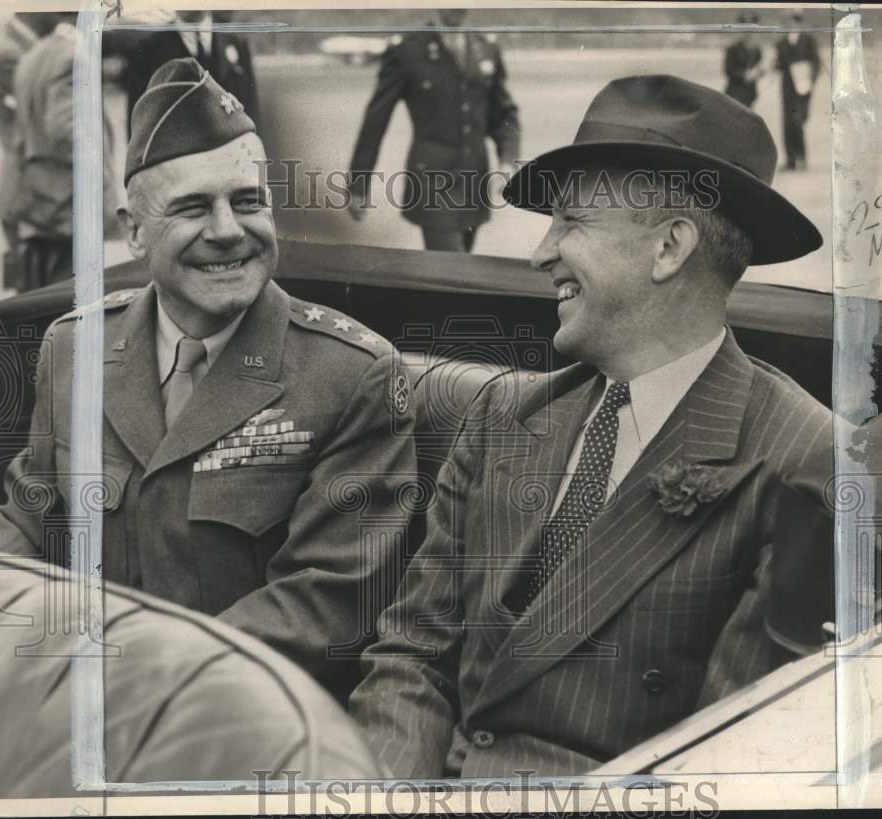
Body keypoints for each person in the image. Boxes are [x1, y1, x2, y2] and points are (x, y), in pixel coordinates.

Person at [350, 75, 832, 777]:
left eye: (571, 223)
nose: (540, 253)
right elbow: (412, 655)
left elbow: (729, 764)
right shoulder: (502, 416)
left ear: (669, 248)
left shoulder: (803, 461)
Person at [0, 58, 417, 705]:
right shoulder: (74, 348)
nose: (227, 231)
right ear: (132, 231)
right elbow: (32, 515)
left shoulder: (350, 375)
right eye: (193, 208)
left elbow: (326, 606)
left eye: (248, 202)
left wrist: (130, 678)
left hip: (245, 716)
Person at [348, 8, 521, 253]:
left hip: (475, 182)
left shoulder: (486, 48)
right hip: (431, 184)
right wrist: (358, 184)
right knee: (454, 271)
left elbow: (504, 115)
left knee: (460, 270)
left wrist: (508, 161)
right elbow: (376, 120)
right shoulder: (408, 50)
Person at [9, 12, 119, 291]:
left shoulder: (34, 53)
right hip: (69, 198)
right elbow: (63, 124)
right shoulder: (74, 55)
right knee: (67, 294)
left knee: (42, 288)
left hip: (40, 192)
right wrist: (98, 173)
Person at [105, 9, 261, 137]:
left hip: (233, 162)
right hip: (179, 169)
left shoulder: (236, 43)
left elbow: (252, 116)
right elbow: (139, 130)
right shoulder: (147, 52)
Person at [0, 13, 42, 290]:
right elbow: (35, 124)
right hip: (28, 188)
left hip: (32, 188)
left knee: (37, 290)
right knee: (34, 294)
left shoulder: (20, 45)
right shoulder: (8, 52)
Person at [775, 11, 820, 171]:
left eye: (793, 22)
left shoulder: (808, 41)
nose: (790, 25)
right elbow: (779, 64)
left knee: (797, 122)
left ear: (798, 23)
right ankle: (790, 161)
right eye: (787, 22)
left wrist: (810, 80)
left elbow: (815, 62)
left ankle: (801, 158)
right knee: (787, 124)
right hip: (787, 89)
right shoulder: (781, 43)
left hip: (802, 88)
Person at [723, 13, 764, 108]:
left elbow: (759, 68)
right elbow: (728, 70)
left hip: (750, 94)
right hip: (734, 93)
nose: (748, 33)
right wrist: (745, 75)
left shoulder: (757, 50)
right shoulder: (732, 49)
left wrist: (760, 72)